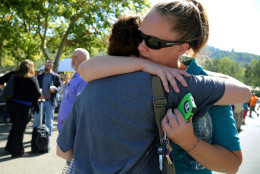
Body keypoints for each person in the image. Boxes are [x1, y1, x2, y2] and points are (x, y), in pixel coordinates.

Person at [57, 12, 251, 174]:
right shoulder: (161, 80)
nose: (143, 47)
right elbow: (86, 69)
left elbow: (232, 164)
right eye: (141, 39)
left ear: (182, 48)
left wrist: (189, 141)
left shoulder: (187, 82)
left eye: (151, 41)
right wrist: (145, 65)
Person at [0, 59, 41, 157]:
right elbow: (37, 93)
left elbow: (0, 80)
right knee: (19, 130)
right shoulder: (31, 78)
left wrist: (4, 88)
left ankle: (9, 147)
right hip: (24, 107)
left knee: (14, 127)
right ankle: (17, 152)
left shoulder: (13, 74)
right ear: (31, 67)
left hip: (11, 105)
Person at [57, 48, 89, 131]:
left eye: (76, 57)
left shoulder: (83, 79)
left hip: (70, 126)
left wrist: (71, 122)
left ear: (85, 60)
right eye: (72, 57)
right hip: (64, 125)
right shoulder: (75, 77)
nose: (72, 59)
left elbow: (82, 105)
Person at [33, 60, 61, 141]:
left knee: (49, 121)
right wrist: (39, 94)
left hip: (50, 101)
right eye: (46, 65)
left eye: (48, 65)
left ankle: (47, 138)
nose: (46, 67)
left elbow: (59, 86)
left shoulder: (56, 76)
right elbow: (36, 86)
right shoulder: (40, 76)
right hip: (40, 102)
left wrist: (56, 89)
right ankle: (35, 137)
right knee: (37, 119)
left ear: (51, 67)